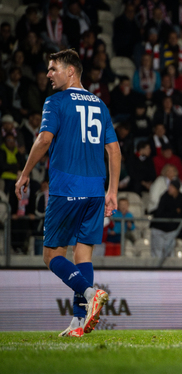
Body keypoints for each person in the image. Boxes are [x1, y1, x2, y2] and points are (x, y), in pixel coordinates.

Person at [15, 50, 120, 338]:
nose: (48, 74)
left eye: (53, 69)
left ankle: (89, 292)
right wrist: (112, 191)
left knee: (51, 255)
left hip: (66, 189)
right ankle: (78, 321)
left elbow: (44, 139)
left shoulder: (56, 101)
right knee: (82, 254)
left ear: (71, 71)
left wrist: (25, 173)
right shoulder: (100, 104)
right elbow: (114, 149)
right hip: (96, 191)